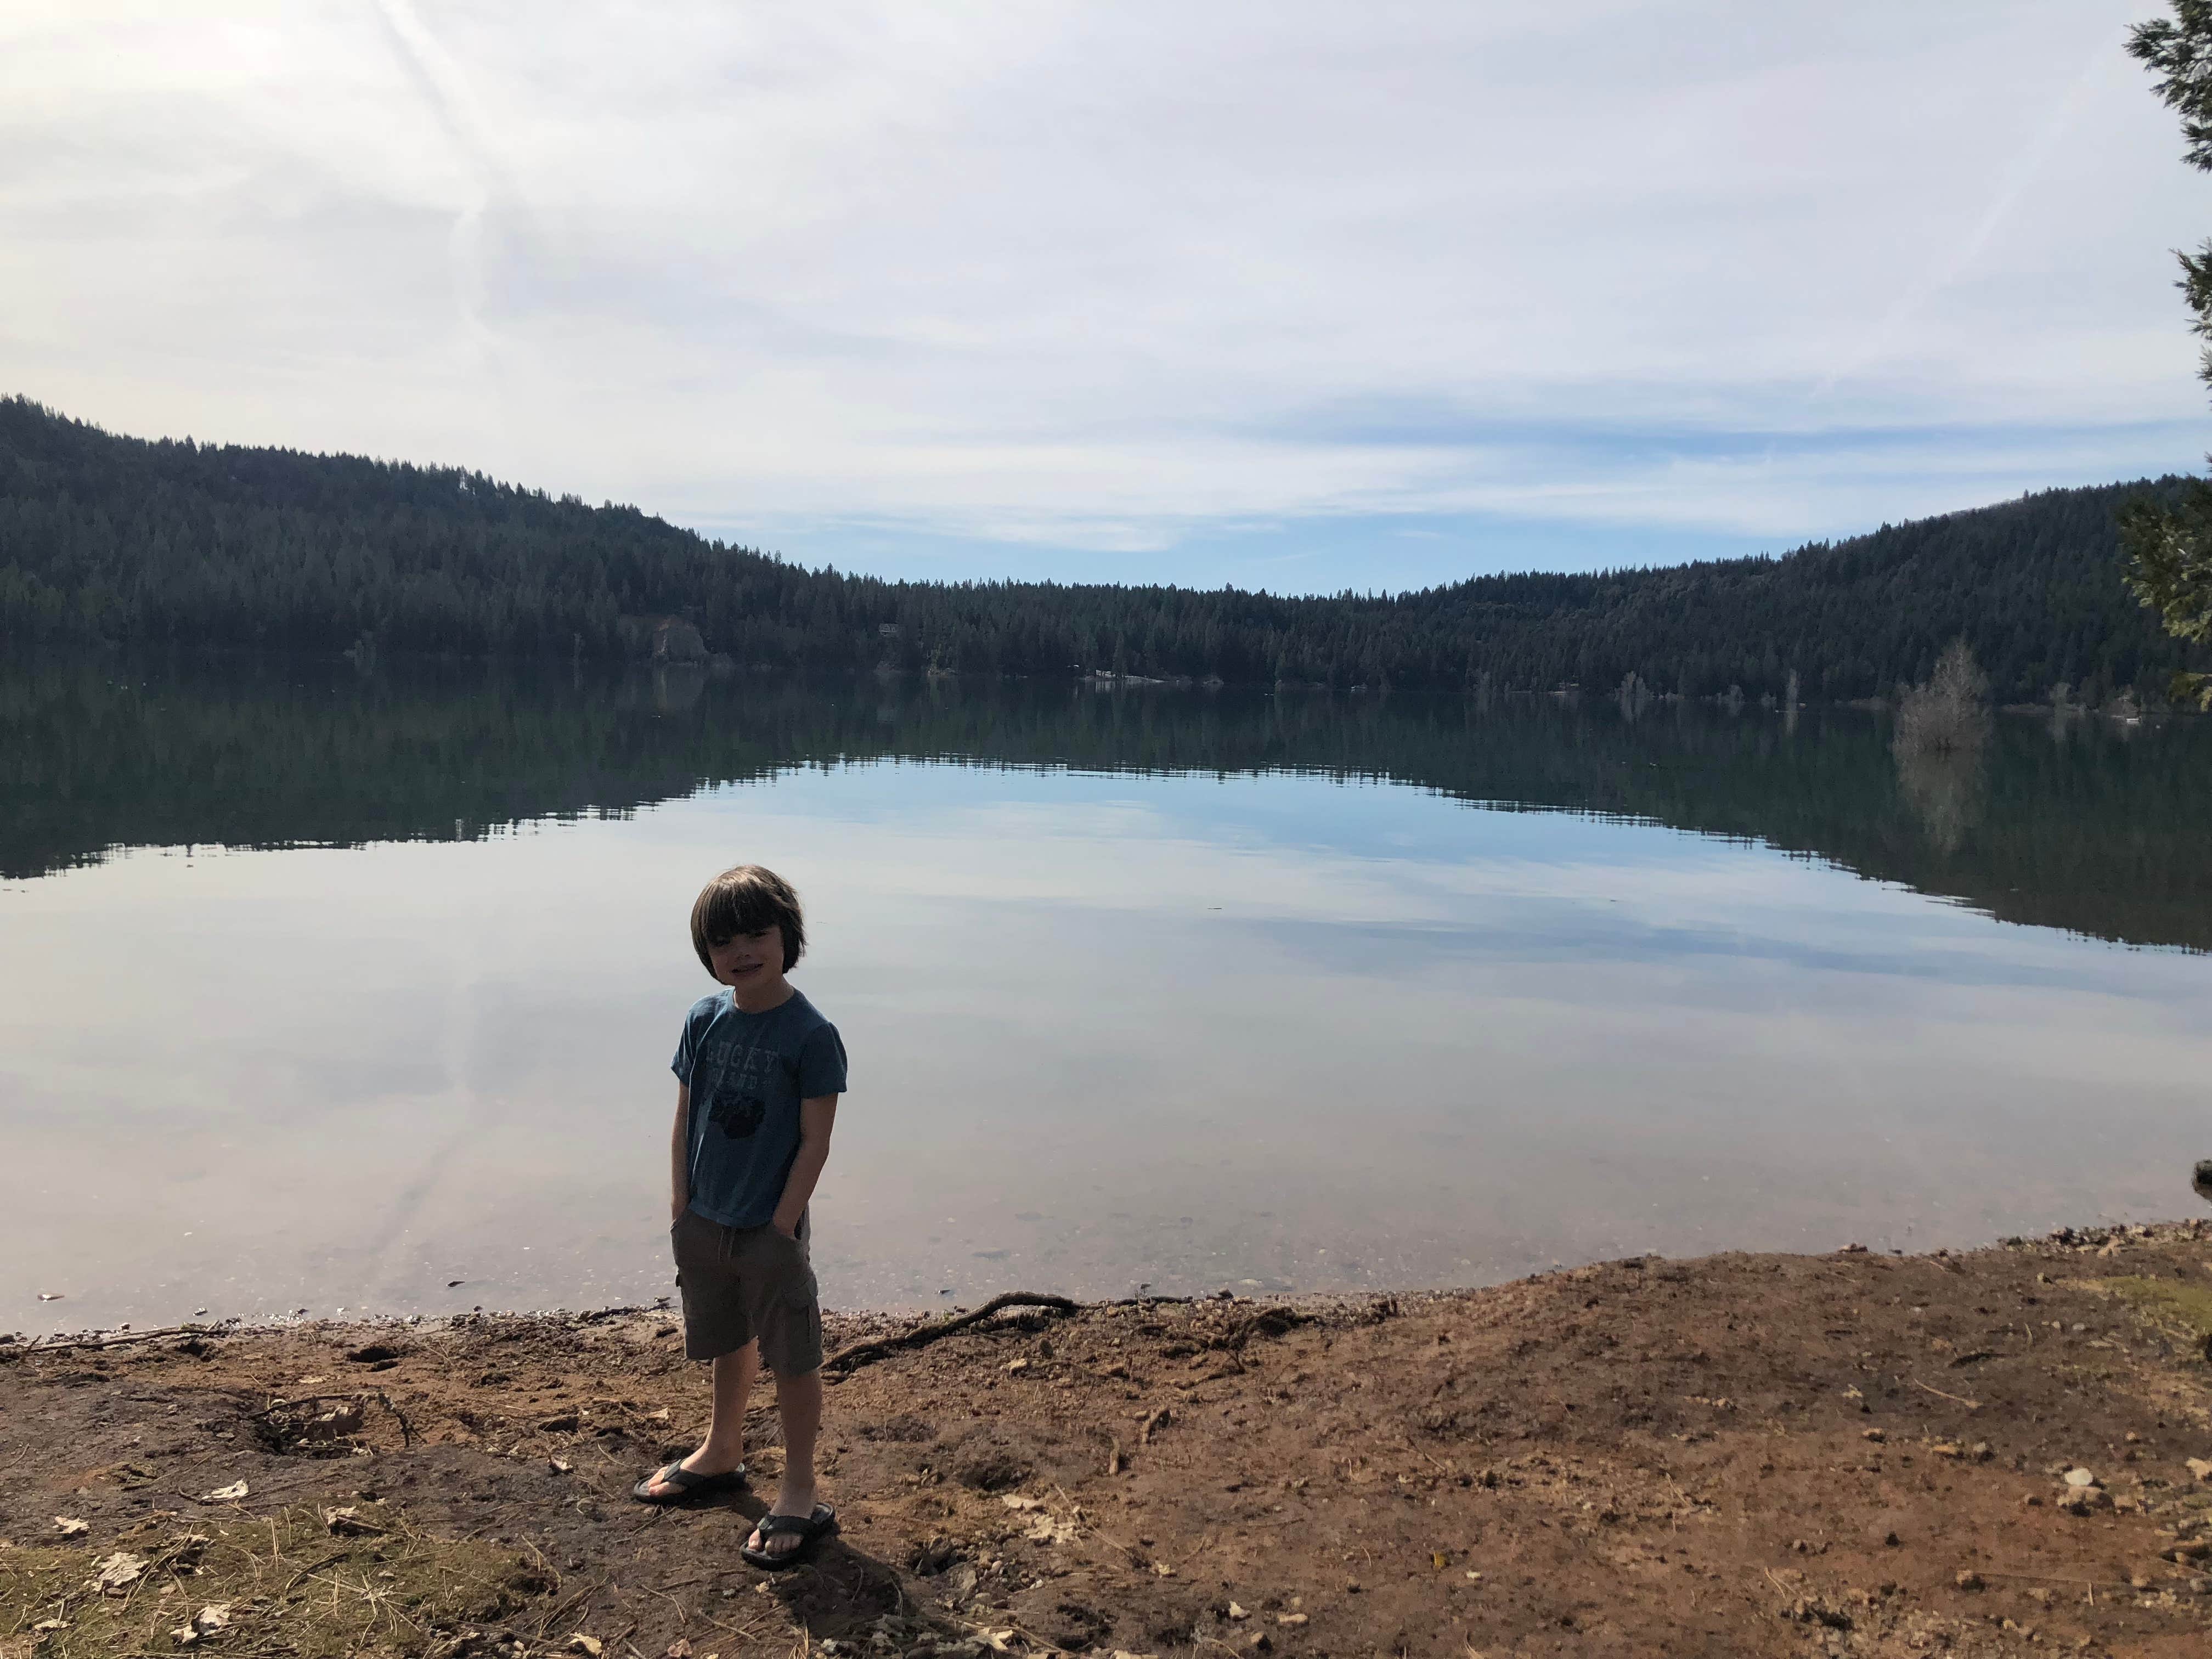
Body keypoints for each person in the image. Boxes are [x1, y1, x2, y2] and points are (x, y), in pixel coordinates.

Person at [632, 864, 848, 1570]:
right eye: (724, 941)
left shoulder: (811, 1035)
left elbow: (817, 1140)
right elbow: (685, 1112)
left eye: (758, 933)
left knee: (792, 1355)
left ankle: (797, 1490)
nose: (743, 952)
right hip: (705, 1218)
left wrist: (782, 1224)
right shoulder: (703, 1019)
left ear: (789, 937)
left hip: (769, 1225)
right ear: (708, 954)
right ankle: (723, 1451)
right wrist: (680, 1204)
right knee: (727, 1337)